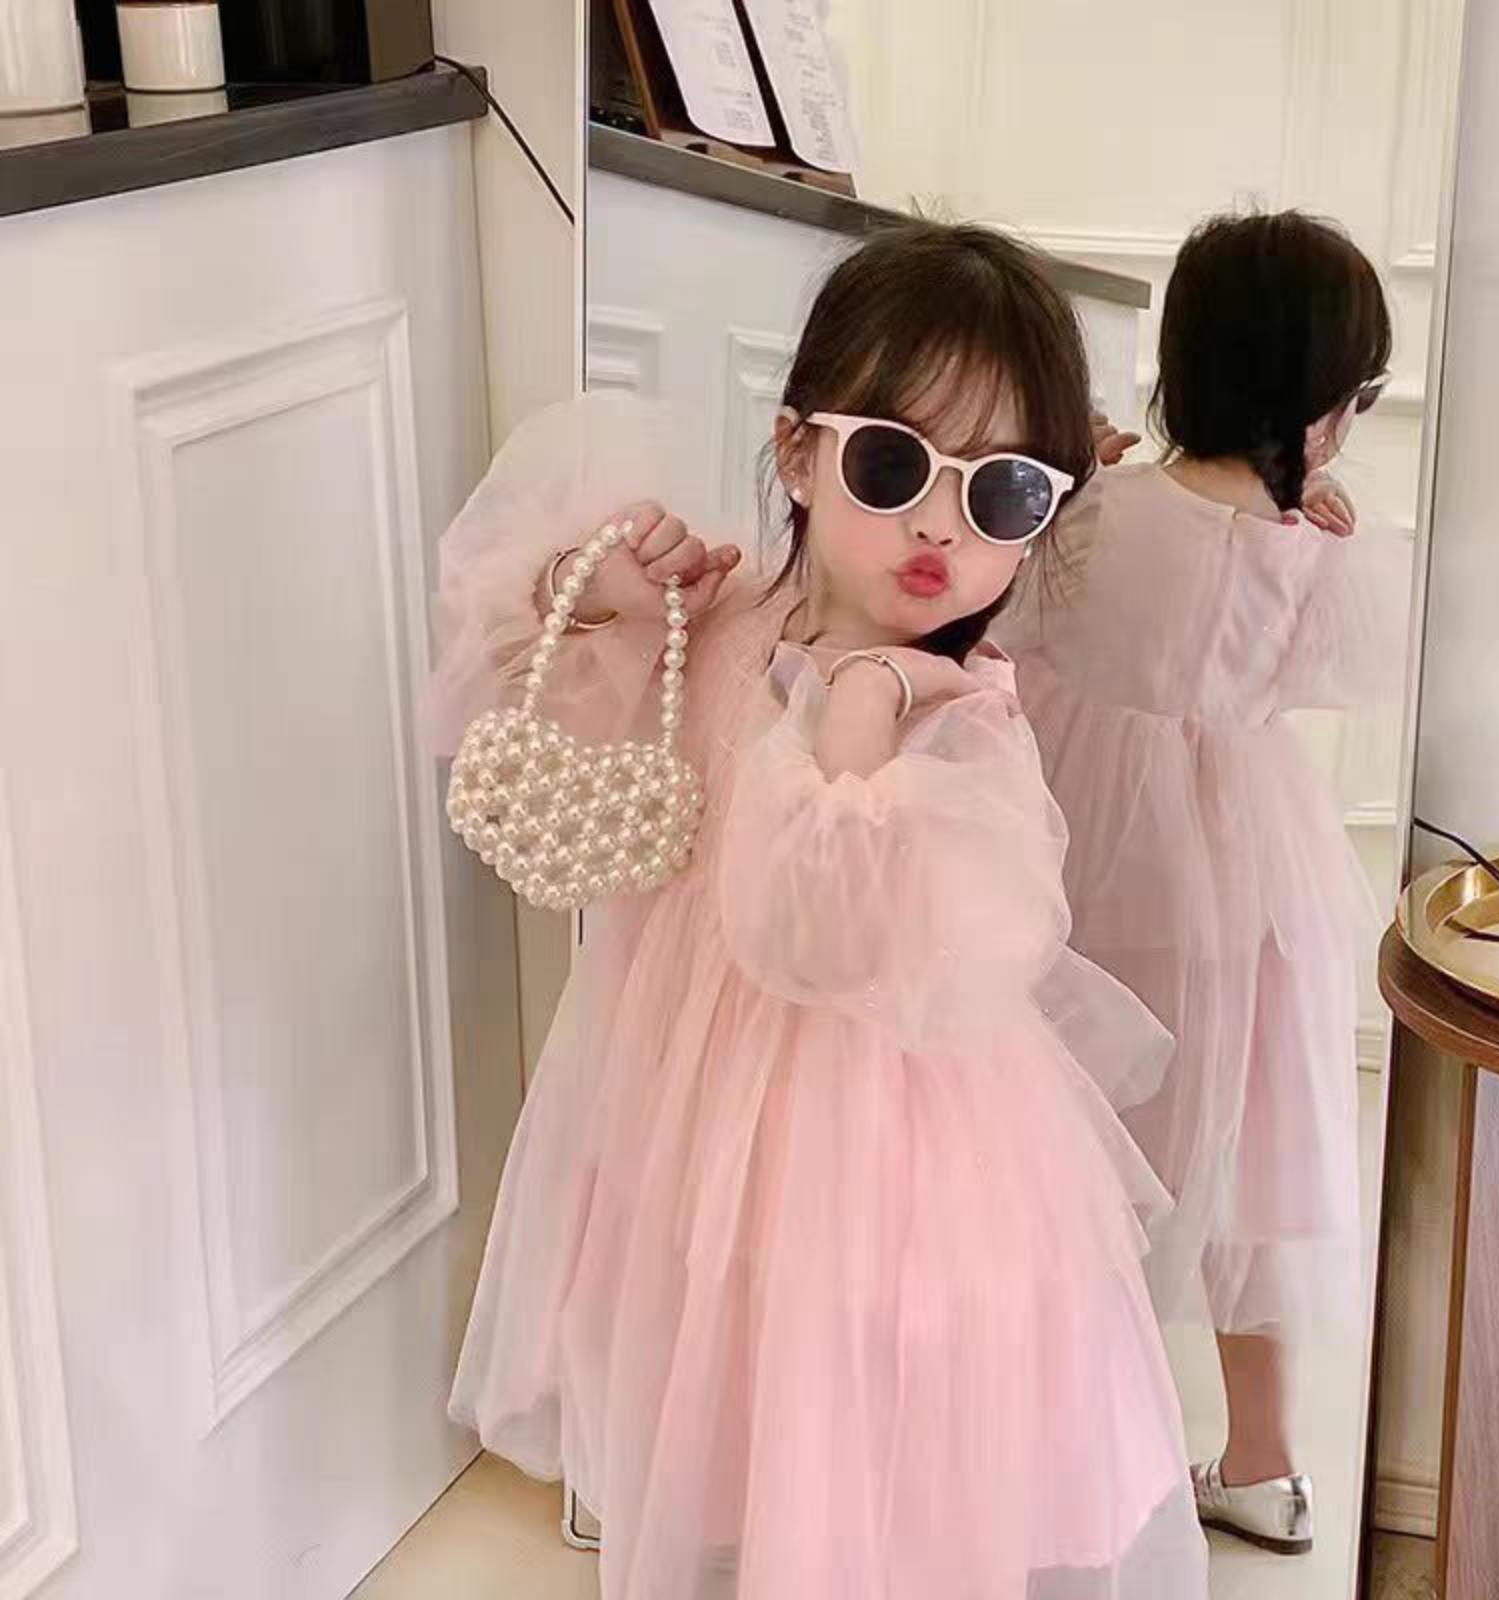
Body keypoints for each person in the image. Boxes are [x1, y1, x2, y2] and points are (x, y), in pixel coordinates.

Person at [427, 221, 1208, 1598]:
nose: (938, 526)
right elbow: (519, 685)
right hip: (691, 1109)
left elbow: (827, 934)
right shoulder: (724, 623)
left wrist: (863, 702)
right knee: (721, 1413)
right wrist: (597, 595)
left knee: (855, 1465)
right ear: (796, 452)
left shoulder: (966, 724)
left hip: (887, 1169)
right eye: (893, 464)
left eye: (1003, 492)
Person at [1006, 209, 1406, 1556]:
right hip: (1248, 878)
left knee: (1086, 1150)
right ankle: (1268, 1467)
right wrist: (1312, 528)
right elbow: (1323, 674)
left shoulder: (1092, 511)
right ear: (1320, 399)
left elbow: (1009, 624)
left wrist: (1069, 479)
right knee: (1250, 1156)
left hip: (1085, 855)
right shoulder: (1313, 540)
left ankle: (1074, 1467)